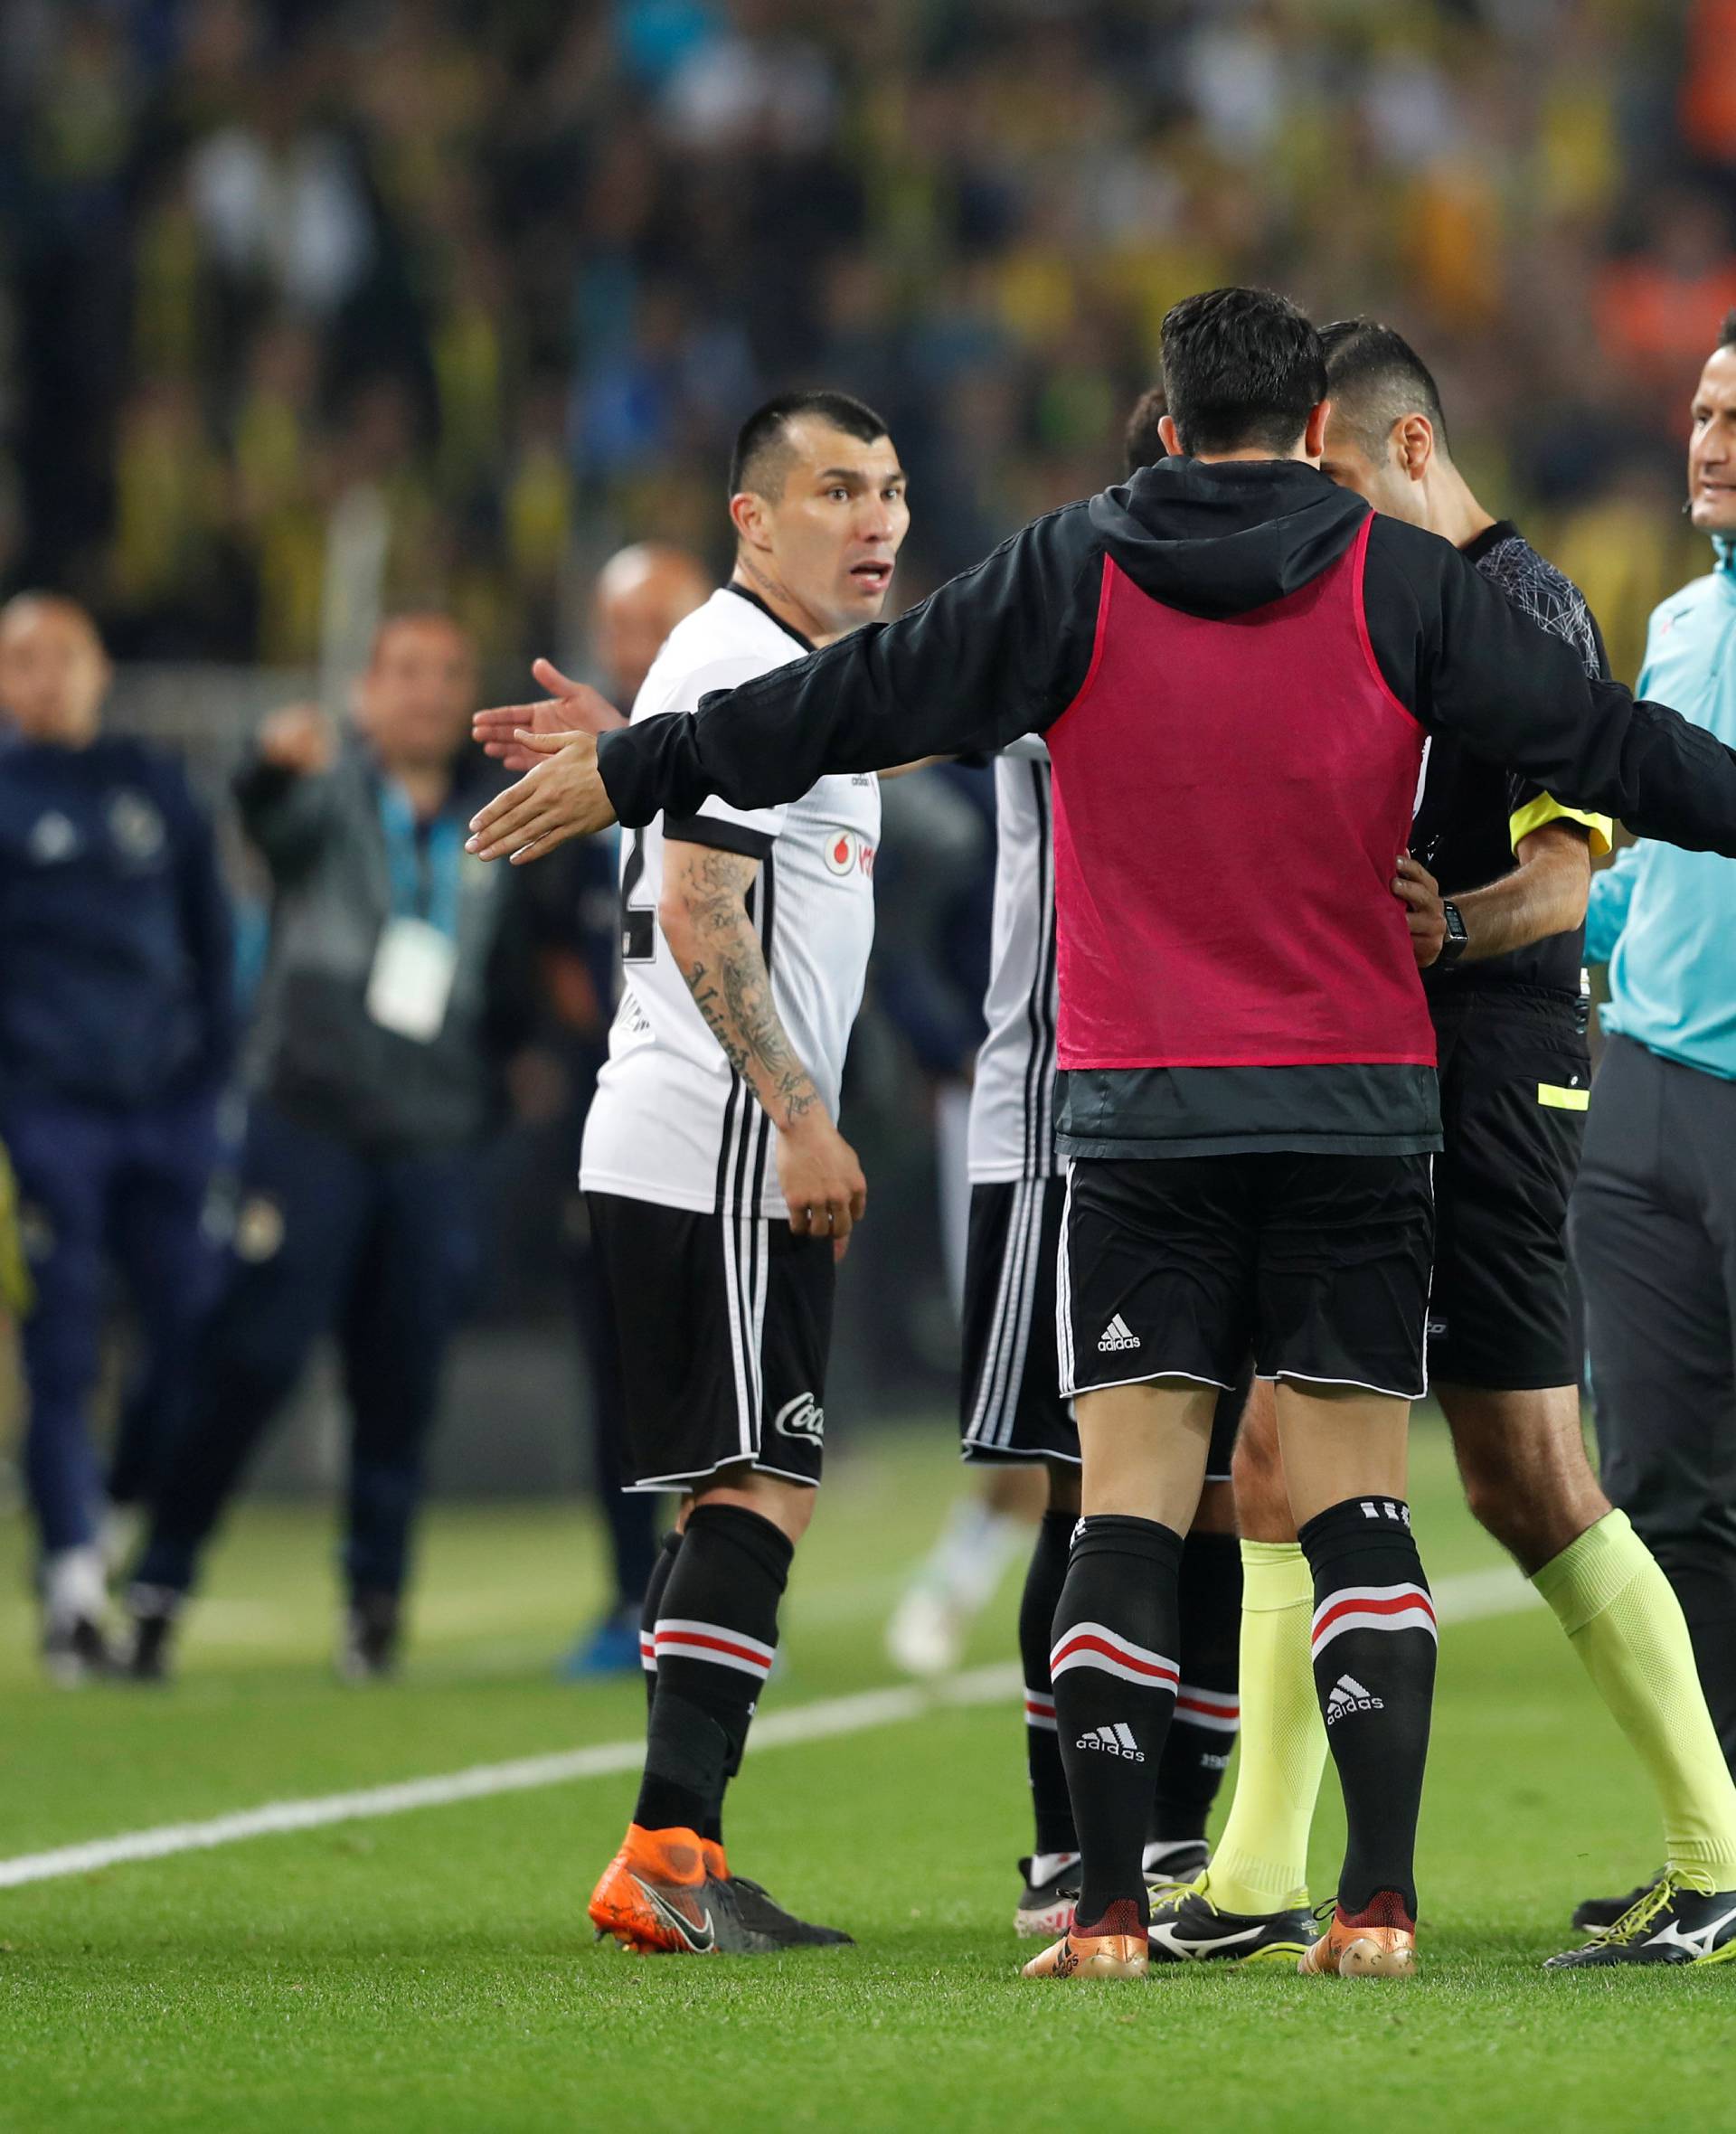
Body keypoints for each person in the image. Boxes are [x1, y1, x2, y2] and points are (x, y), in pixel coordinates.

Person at [469, 287, 1736, 1981]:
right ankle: (1372, 1907)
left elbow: (851, 703)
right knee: (1356, 1507)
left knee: (1127, 1512)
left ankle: (1118, 1909)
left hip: (1139, 1112)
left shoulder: (1071, 569)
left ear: (1165, 416)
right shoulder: (1408, 580)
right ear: (1306, 430)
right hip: (1358, 1101)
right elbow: (1617, 752)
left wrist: (644, 766)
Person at [1156, 318, 1736, 1974]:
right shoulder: (1361, 608)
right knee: (1278, 1450)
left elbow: (1567, 872)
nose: (1315, 512)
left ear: (1407, 452)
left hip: (1500, 1062)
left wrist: (1447, 927)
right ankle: (1257, 1873)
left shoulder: (1520, 604)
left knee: (1529, 1472)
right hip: (1374, 1069)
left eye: (1334, 478)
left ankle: (1715, 1850)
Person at [492, 391, 909, 1955]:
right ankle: (670, 1850)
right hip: (718, 1135)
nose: (875, 521)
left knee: (742, 1492)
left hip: (694, 1137)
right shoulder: (739, 662)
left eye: (889, 490)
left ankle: (682, 1842)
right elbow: (703, 914)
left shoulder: (768, 676)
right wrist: (802, 1116)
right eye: (834, 492)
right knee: (765, 1487)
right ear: (752, 517)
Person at [889, 387, 1248, 1940]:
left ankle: (1183, 1843)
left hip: (1237, 1111)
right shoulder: (1071, 612)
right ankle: (1066, 1848)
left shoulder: (1284, 628)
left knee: (1230, 1492)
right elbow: (880, 700)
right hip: (1064, 1117)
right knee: (1090, 1491)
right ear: (1167, 464)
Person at [125, 612, 533, 1682]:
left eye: (448, 672)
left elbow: (514, 974)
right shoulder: (327, 798)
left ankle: (374, 1601)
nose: (429, 693)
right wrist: (267, 761)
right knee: (253, 1354)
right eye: (406, 672)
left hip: (432, 1134)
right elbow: (265, 818)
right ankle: (161, 1578)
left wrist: (505, 1079)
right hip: (309, 1123)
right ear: (366, 693)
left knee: (400, 1375)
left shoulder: (501, 820)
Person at [1572, 306, 1736, 1911]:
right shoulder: (1680, 625)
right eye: (1702, 409)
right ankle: (1719, 1847)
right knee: (1664, 1488)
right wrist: (1587, 939)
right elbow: (1646, 854)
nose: (1710, 439)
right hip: (1647, 1094)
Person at [0, 592, 235, 1681]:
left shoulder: (154, 785)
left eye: (61, 655)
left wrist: (209, 1085)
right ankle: (73, 1582)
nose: (43, 676)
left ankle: (122, 1496)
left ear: (99, 668)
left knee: (195, 1332)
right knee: (59, 1346)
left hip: (165, 1112)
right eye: (20, 660)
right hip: (45, 1115)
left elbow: (211, 937)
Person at [542, 543, 713, 1679]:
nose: (642, 642)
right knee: (615, 1366)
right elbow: (542, 937)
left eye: (661, 621)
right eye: (624, 623)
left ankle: (707, 1590)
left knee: (718, 1368)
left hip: (732, 1110)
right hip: (606, 1103)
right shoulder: (579, 773)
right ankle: (625, 1592)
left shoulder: (742, 754)